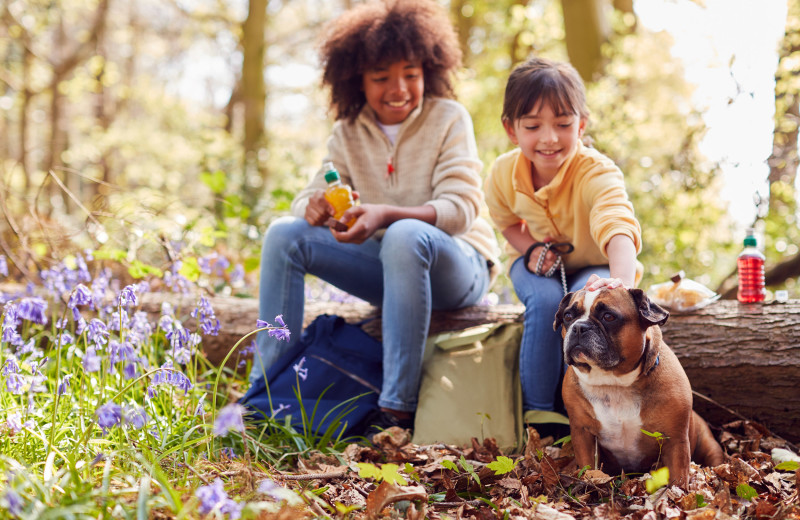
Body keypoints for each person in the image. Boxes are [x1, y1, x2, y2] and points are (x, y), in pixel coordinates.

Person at [251, 0, 500, 438]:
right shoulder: (348, 132)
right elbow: (315, 191)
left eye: (409, 73)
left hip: (458, 268)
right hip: (392, 267)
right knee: (284, 235)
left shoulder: (448, 118)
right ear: (357, 81)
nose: (397, 88)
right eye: (380, 77)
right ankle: (266, 391)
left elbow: (461, 209)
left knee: (404, 235)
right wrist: (315, 206)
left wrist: (387, 214)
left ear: (428, 69)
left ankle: (396, 409)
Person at [483, 57, 642, 440]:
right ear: (511, 129)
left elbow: (617, 224)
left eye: (563, 124)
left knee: (586, 303)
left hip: (595, 265)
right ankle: (540, 415)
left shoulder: (596, 171)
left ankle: (586, 409)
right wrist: (529, 247)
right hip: (535, 261)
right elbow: (504, 220)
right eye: (533, 126)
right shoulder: (502, 175)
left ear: (582, 125)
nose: (549, 138)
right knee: (544, 299)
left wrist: (617, 285)